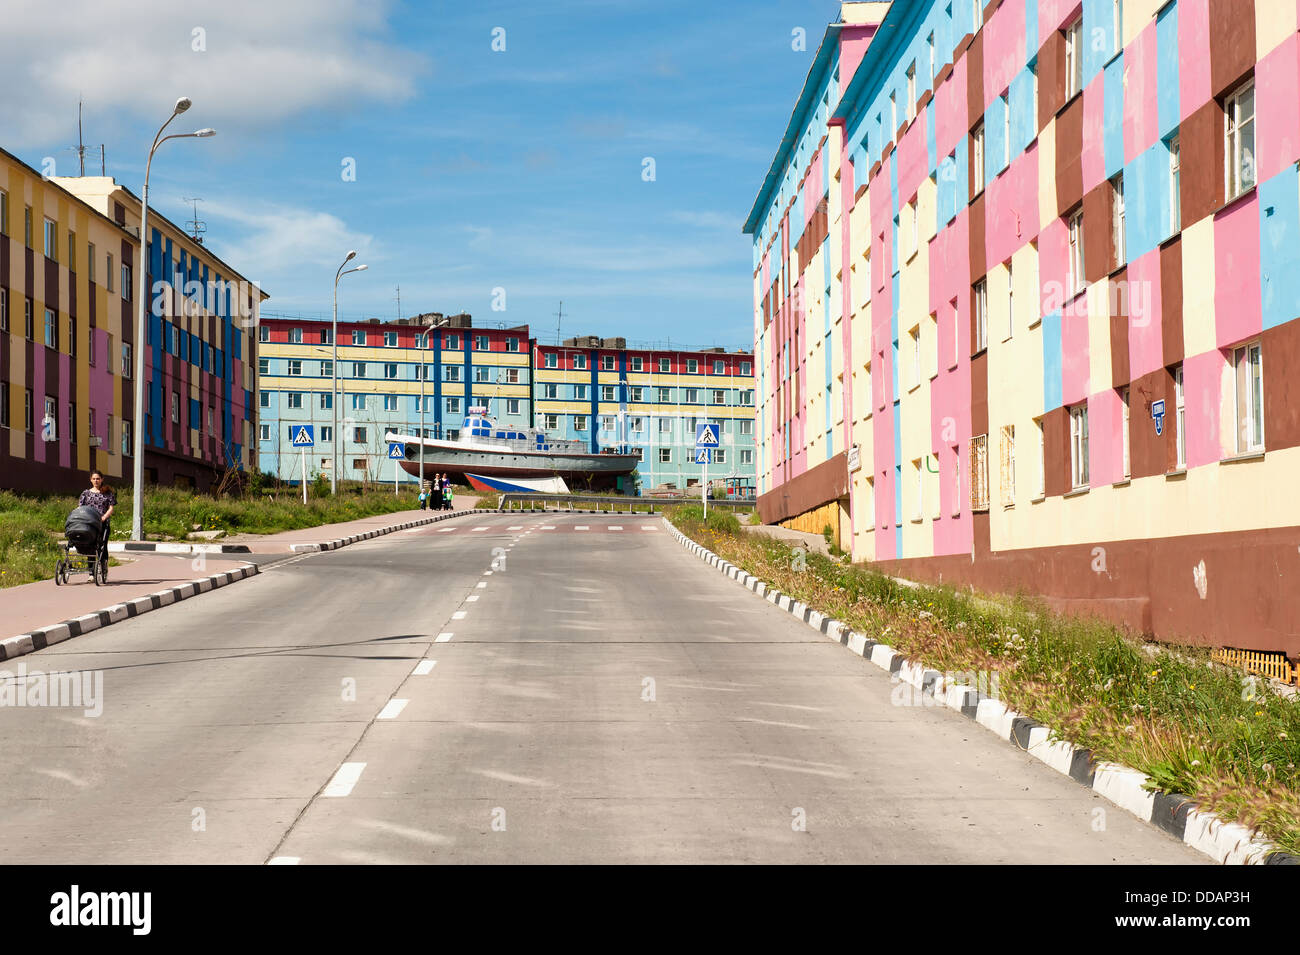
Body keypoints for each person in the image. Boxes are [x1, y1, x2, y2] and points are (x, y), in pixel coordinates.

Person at [77, 469, 116, 580]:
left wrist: (104, 517)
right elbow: (80, 507)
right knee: (90, 547)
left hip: (102, 523)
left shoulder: (107, 492)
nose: (96, 481)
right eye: (94, 479)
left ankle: (103, 568)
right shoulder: (86, 493)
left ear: (102, 479)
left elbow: (111, 508)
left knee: (102, 546)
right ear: (90, 480)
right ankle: (91, 573)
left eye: (98, 479)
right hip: (89, 523)